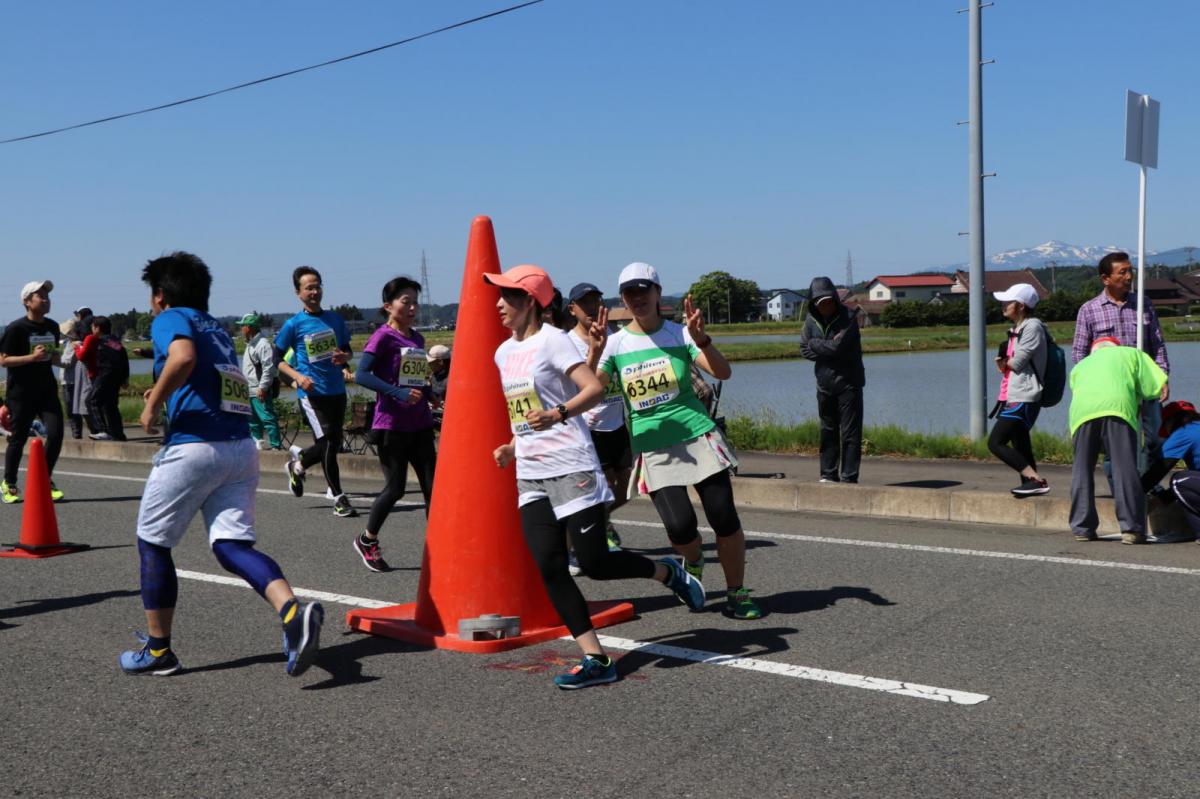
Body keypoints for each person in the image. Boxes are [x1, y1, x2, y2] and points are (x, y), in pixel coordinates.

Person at [487, 264, 704, 689]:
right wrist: (513, 446)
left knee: (595, 563)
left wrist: (557, 414)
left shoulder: (552, 342)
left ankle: (666, 572)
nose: (499, 304)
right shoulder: (502, 353)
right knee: (549, 565)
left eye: (507, 297)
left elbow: (594, 388)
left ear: (530, 300)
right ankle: (596, 658)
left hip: (572, 464)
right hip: (532, 472)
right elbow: (522, 410)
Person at [120, 251, 323, 677]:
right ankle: (291, 613)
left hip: (194, 448)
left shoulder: (170, 317)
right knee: (231, 545)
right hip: (238, 446)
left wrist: (153, 404)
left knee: (153, 543)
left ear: (160, 296)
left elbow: (182, 357)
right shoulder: (220, 330)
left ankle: (159, 651)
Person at [596, 262, 762, 620]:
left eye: (644, 290)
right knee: (679, 526)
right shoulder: (615, 344)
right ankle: (693, 562)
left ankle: (737, 592)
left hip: (696, 435)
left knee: (723, 517)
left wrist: (701, 339)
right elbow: (593, 390)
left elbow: (723, 372)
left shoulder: (679, 334)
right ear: (623, 299)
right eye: (630, 293)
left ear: (658, 293)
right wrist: (594, 355)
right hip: (652, 445)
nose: (637, 298)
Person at [351, 277, 438, 572]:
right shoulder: (383, 337)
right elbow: (362, 375)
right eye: (405, 301)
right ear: (388, 306)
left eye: (415, 301)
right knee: (396, 489)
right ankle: (367, 539)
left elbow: (415, 378)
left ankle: (438, 551)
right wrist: (397, 393)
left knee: (434, 489)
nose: (412, 307)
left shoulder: (418, 339)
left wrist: (429, 395)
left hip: (421, 424)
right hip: (391, 426)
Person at [1072, 252, 1169, 471]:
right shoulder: (1089, 310)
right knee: (1115, 445)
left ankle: (1144, 486)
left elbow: (1158, 344)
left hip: (1144, 383)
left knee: (1155, 440)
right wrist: (1086, 387)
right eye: (1122, 272)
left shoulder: (1143, 304)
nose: (1128, 276)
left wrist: (1162, 377)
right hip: (1112, 389)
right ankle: (1121, 492)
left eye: (1130, 270)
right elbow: (1079, 355)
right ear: (1105, 278)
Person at [273, 266, 357, 517]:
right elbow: (277, 358)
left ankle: (298, 464)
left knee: (331, 443)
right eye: (309, 287)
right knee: (330, 442)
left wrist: (345, 357)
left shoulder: (335, 320)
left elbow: (347, 352)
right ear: (298, 293)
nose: (315, 291)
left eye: (318, 285)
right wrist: (298, 377)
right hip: (311, 393)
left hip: (337, 391)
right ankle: (339, 497)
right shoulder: (293, 324)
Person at [1068, 338, 1167, 545]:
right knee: (1124, 469)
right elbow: (1153, 388)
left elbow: (1077, 391)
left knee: (1082, 470)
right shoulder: (1131, 353)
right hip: (1118, 410)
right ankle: (1131, 529)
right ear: (1116, 346)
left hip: (1081, 415)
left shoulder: (1081, 366)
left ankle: (1082, 528)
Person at [566, 282, 630, 552]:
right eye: (585, 303)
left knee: (627, 489)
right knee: (602, 487)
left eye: (596, 301)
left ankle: (602, 520)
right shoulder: (566, 344)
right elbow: (580, 387)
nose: (592, 308)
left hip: (617, 424)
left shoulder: (614, 336)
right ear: (572, 309)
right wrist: (595, 351)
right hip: (588, 428)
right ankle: (582, 541)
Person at [0, 280, 66, 504]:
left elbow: (53, 356)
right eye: (40, 296)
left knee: (56, 434)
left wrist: (64, 360)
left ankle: (44, 480)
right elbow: (4, 360)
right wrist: (32, 358)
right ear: (27, 301)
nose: (46, 299)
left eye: (47, 295)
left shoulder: (53, 326)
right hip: (20, 393)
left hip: (46, 390)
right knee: (18, 439)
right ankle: (9, 483)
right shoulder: (16, 328)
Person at [800, 276, 865, 484]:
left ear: (835, 299)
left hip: (849, 383)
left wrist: (816, 344)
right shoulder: (811, 320)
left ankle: (849, 476)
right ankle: (828, 474)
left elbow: (840, 348)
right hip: (824, 384)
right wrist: (824, 347)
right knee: (827, 431)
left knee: (850, 433)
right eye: (821, 303)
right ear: (814, 304)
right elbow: (803, 348)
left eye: (828, 301)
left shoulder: (848, 317)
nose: (826, 306)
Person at [987, 283, 1049, 496]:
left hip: (1024, 395)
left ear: (1021, 306)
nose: (1003, 305)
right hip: (1014, 393)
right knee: (1021, 444)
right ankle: (1029, 486)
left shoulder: (1033, 327)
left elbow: (1017, 362)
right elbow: (1009, 364)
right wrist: (1005, 362)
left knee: (996, 443)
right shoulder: (1017, 329)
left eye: (1008, 301)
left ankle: (1036, 480)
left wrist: (1005, 362)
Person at [1142, 401, 1200, 543]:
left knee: (1177, 481)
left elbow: (1159, 470)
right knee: (1185, 482)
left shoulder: (1183, 432)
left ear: (1171, 421)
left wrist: (1136, 494)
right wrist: (1162, 499)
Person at [237, 313, 282, 451]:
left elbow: (269, 367)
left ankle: (276, 446)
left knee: (267, 418)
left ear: (249, 327)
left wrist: (262, 387)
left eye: (242, 326)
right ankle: (257, 446)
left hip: (258, 389)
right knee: (253, 422)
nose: (241, 329)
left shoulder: (263, 344)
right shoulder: (251, 344)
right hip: (250, 389)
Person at [86, 316, 130, 441]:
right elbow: (124, 358)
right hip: (116, 378)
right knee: (110, 405)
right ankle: (118, 434)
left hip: (105, 375)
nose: (91, 329)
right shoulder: (114, 341)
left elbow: (84, 356)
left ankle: (102, 430)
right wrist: (125, 378)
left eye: (93, 327)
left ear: (97, 328)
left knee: (91, 400)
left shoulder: (102, 342)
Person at [58, 319, 85, 439]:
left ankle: (76, 433)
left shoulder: (74, 344)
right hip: (71, 380)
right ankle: (77, 432)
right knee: (74, 408)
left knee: (71, 408)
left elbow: (67, 363)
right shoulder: (71, 343)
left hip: (70, 381)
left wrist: (52, 358)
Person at [426, 344, 451, 409]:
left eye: (431, 362)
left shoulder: (451, 380)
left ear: (440, 362)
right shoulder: (434, 374)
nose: (429, 364)